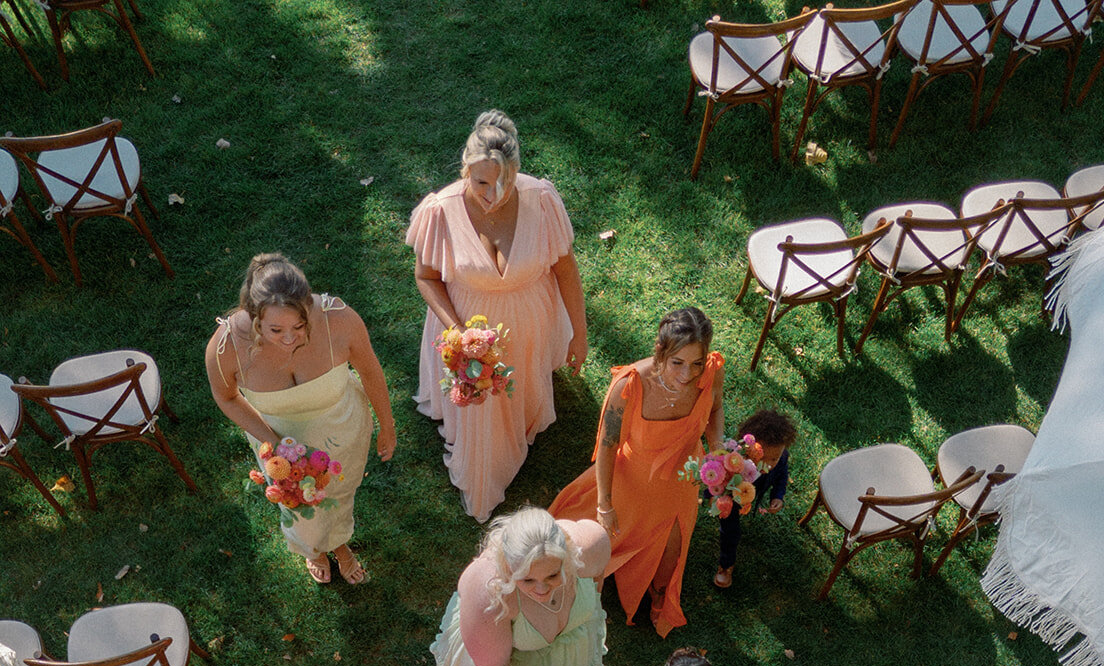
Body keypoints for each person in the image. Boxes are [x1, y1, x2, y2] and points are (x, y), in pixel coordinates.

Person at [407, 109, 588, 523]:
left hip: (529, 325)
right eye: (482, 182)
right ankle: (484, 478)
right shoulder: (441, 210)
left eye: (505, 181)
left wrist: (579, 334)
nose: (493, 193)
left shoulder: (541, 200)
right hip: (468, 333)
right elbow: (426, 277)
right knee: (481, 419)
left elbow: (565, 269)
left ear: (518, 170)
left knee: (520, 388)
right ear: (464, 170)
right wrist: (457, 333)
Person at [206, 254, 396, 586]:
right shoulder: (226, 348)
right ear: (254, 319)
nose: (290, 338)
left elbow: (369, 370)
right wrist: (272, 442)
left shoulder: (339, 319)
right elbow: (225, 396)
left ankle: (340, 545)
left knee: (340, 494)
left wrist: (387, 425)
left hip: (343, 429)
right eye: (275, 329)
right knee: (301, 510)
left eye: (299, 325)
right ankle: (315, 550)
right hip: (279, 445)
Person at [549, 306, 724, 638]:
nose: (688, 374)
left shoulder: (712, 373)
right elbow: (606, 446)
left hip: (681, 480)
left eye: (696, 364)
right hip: (631, 479)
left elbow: (714, 408)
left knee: (671, 554)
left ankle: (659, 597)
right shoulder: (629, 386)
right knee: (586, 548)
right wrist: (604, 503)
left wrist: (717, 449)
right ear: (660, 353)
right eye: (678, 363)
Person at [432, 506, 609, 666]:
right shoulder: (490, 594)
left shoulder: (591, 546)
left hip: (573, 661)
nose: (542, 590)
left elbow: (596, 587)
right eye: (528, 580)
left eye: (553, 575)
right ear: (507, 567)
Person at [715, 408, 797, 589]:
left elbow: (782, 474)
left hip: (751, 494)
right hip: (732, 497)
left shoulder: (781, 458)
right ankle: (726, 564)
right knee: (731, 531)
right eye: (762, 458)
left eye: (773, 459)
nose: (767, 464)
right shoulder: (737, 461)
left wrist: (778, 496)